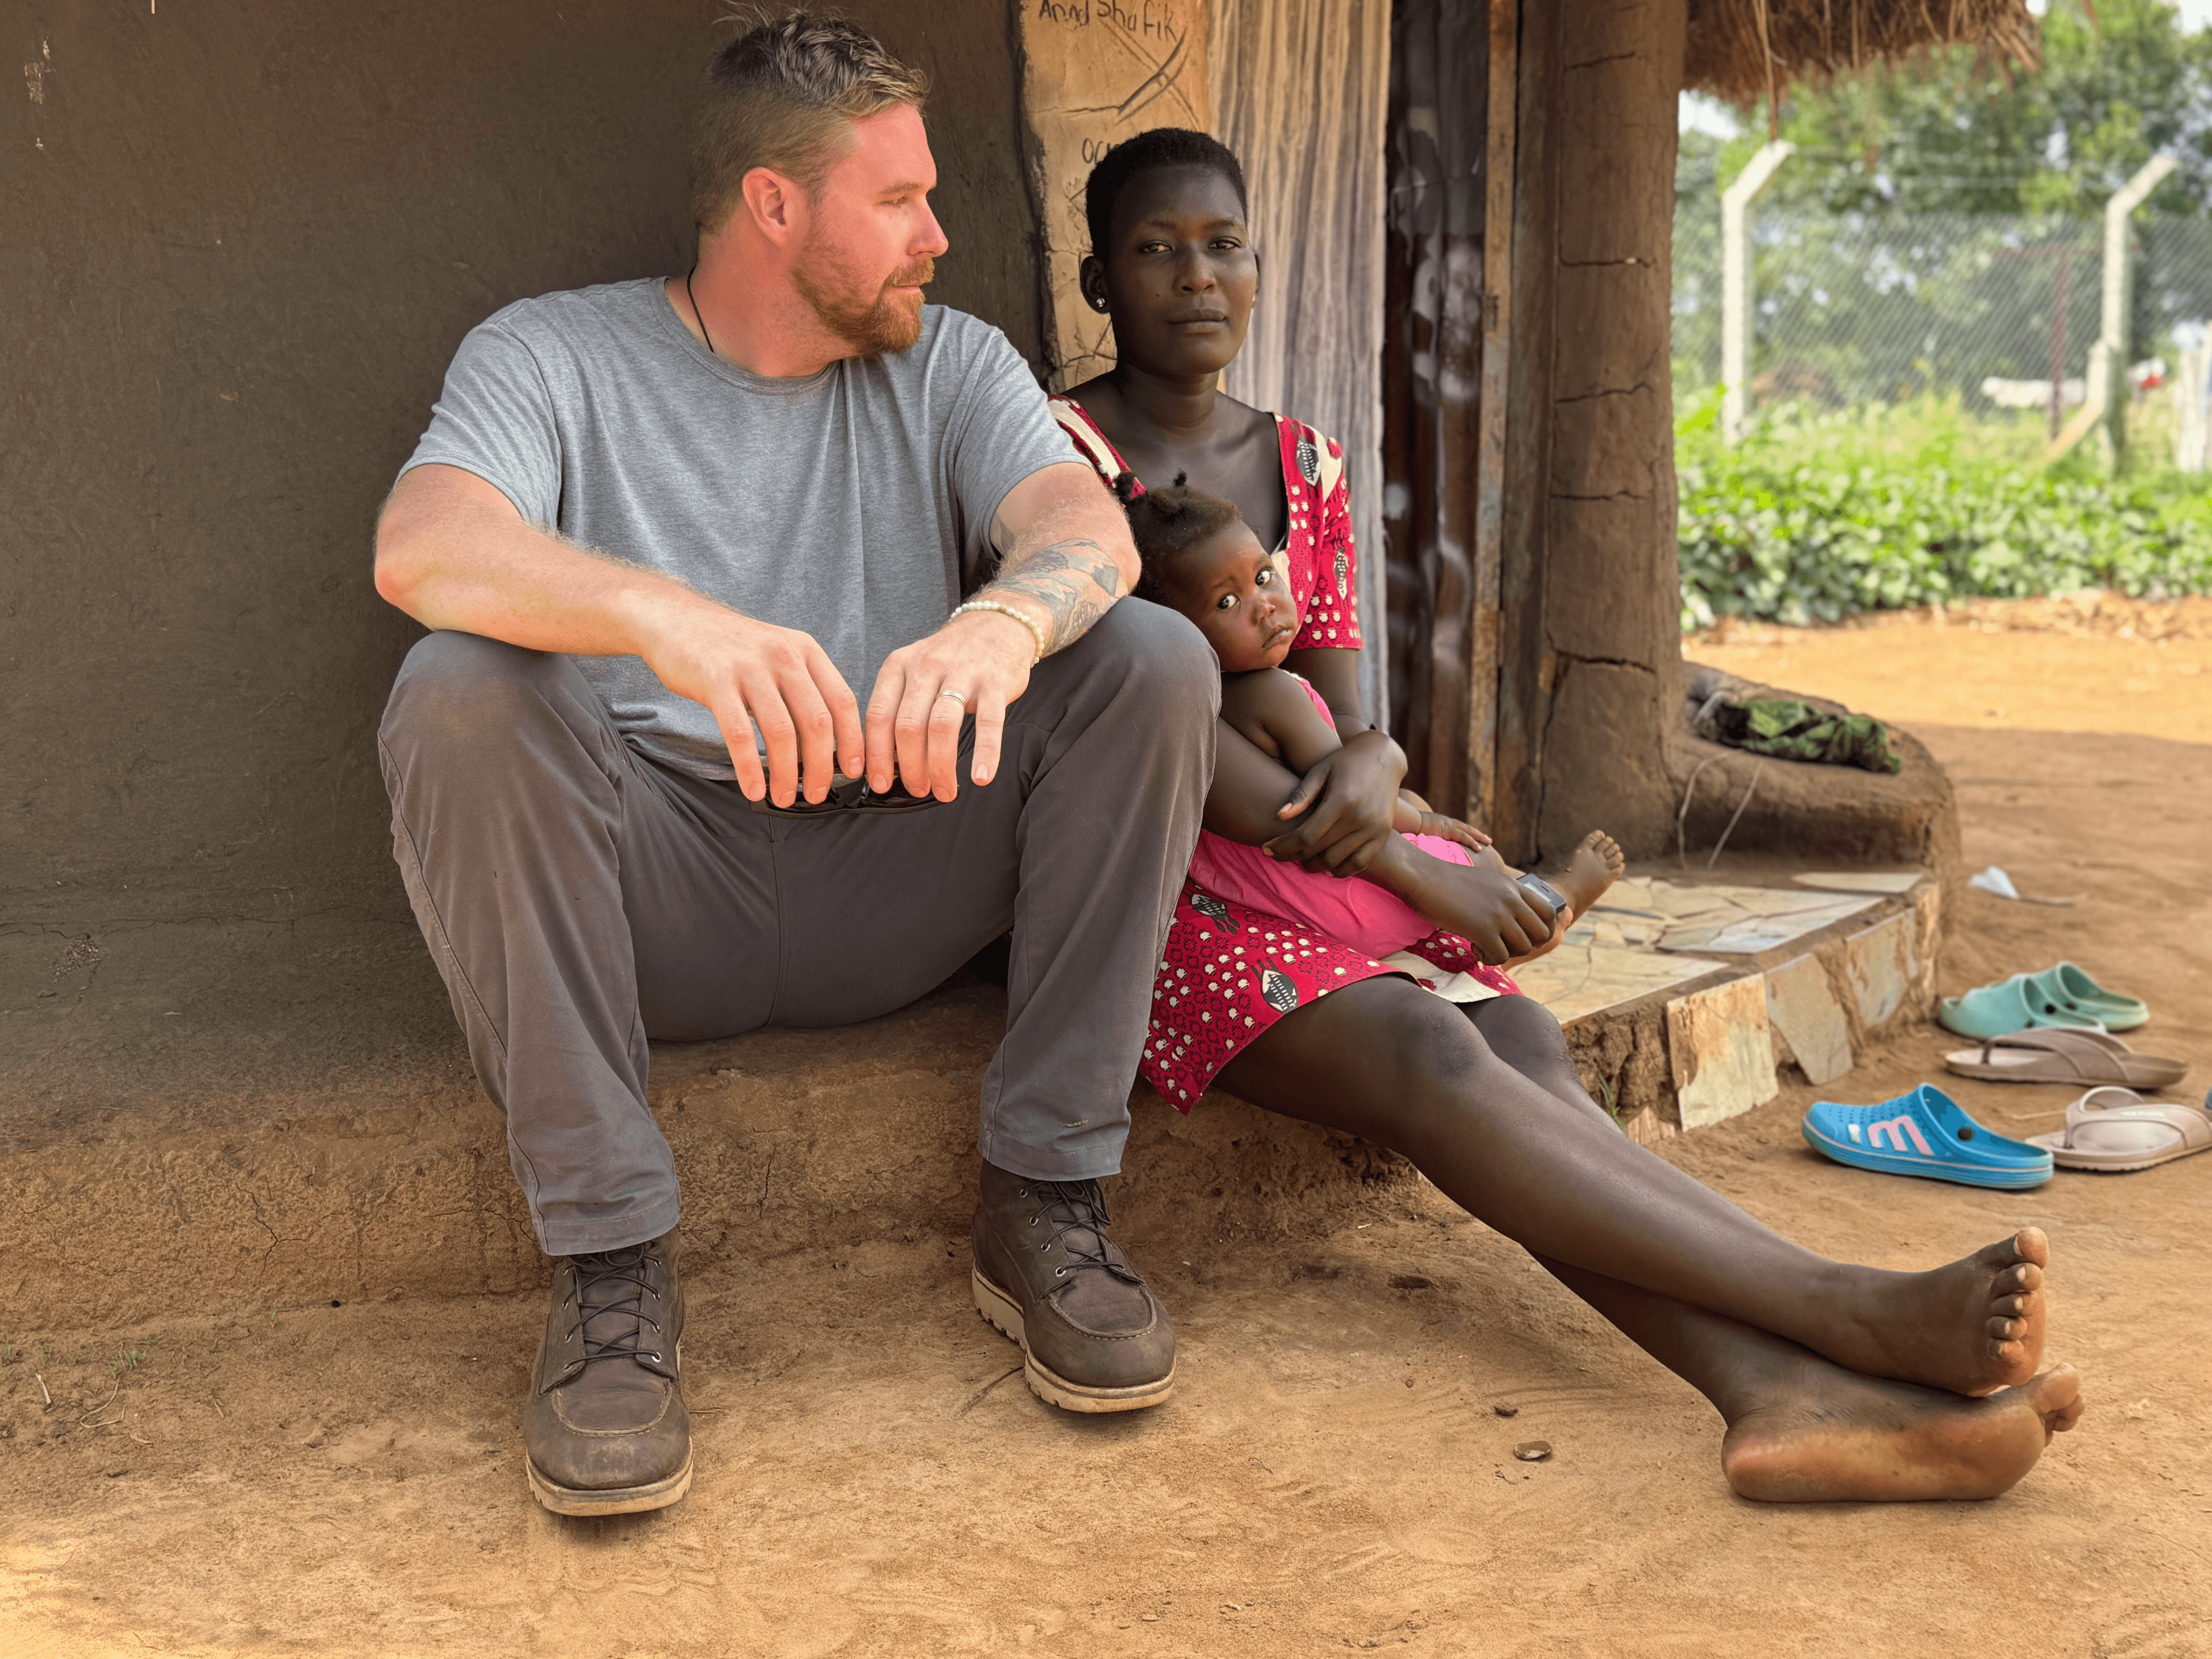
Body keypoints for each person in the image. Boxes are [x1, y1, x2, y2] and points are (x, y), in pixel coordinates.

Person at [1050, 127, 2085, 1501]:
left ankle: (1772, 1390)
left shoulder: (1304, 462)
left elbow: (1352, 718)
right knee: (1428, 1045)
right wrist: (1396, 841)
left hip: (1325, 875)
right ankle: (1843, 1310)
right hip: (1154, 890)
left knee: (1524, 1037)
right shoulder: (1061, 457)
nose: (1197, 275)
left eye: (1224, 244)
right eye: (1154, 248)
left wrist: (1376, 768)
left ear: (1259, 263)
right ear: (1095, 279)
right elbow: (1152, 720)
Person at [373, 17, 1210, 1517]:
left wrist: (1001, 628)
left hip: (899, 870)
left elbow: (1087, 531)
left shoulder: (954, 361)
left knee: (1150, 658)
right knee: (458, 691)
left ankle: (1046, 1197)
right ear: (774, 204)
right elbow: (425, 547)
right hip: (650, 900)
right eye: (898, 201)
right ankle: (612, 1266)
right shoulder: (552, 352)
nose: (939, 236)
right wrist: (665, 620)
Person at [1116, 472, 1627, 974]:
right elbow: (1356, 803)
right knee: (1482, 860)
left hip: (1271, 907)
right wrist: (1429, 823)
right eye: (1227, 603)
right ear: (1178, 631)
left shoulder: (1184, 716)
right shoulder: (1272, 693)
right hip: (1344, 897)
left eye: (1263, 577)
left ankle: (1507, 932)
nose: (1264, 607)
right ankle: (1557, 897)